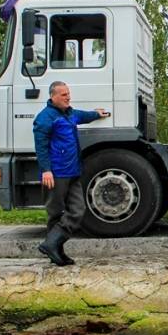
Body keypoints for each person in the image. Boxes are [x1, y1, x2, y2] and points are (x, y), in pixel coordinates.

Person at [33, 81, 110, 266]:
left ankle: (51, 243)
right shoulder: (45, 118)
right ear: (53, 97)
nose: (68, 97)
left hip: (73, 171)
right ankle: (56, 252)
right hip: (56, 174)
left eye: (68, 93)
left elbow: (82, 115)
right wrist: (46, 171)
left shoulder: (69, 113)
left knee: (78, 210)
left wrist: (96, 114)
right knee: (55, 214)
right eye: (63, 94)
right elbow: (41, 147)